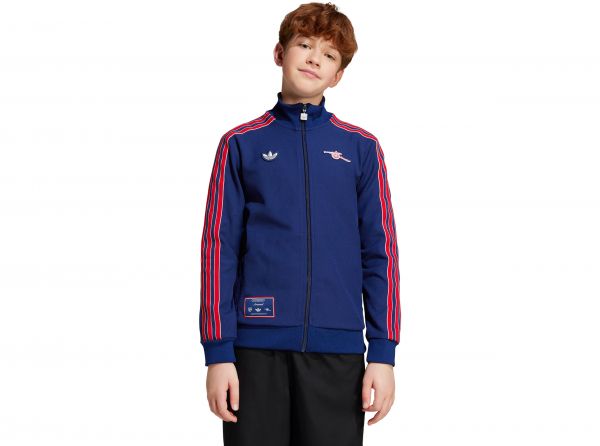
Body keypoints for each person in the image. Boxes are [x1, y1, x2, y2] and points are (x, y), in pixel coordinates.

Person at [199, 3, 401, 445]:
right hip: (254, 351)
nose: (313, 59)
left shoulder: (361, 148)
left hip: (338, 354)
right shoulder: (240, 144)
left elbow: (380, 253)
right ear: (279, 53)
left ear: (338, 75)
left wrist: (383, 353)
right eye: (304, 45)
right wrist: (218, 352)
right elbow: (218, 249)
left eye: (329, 55)